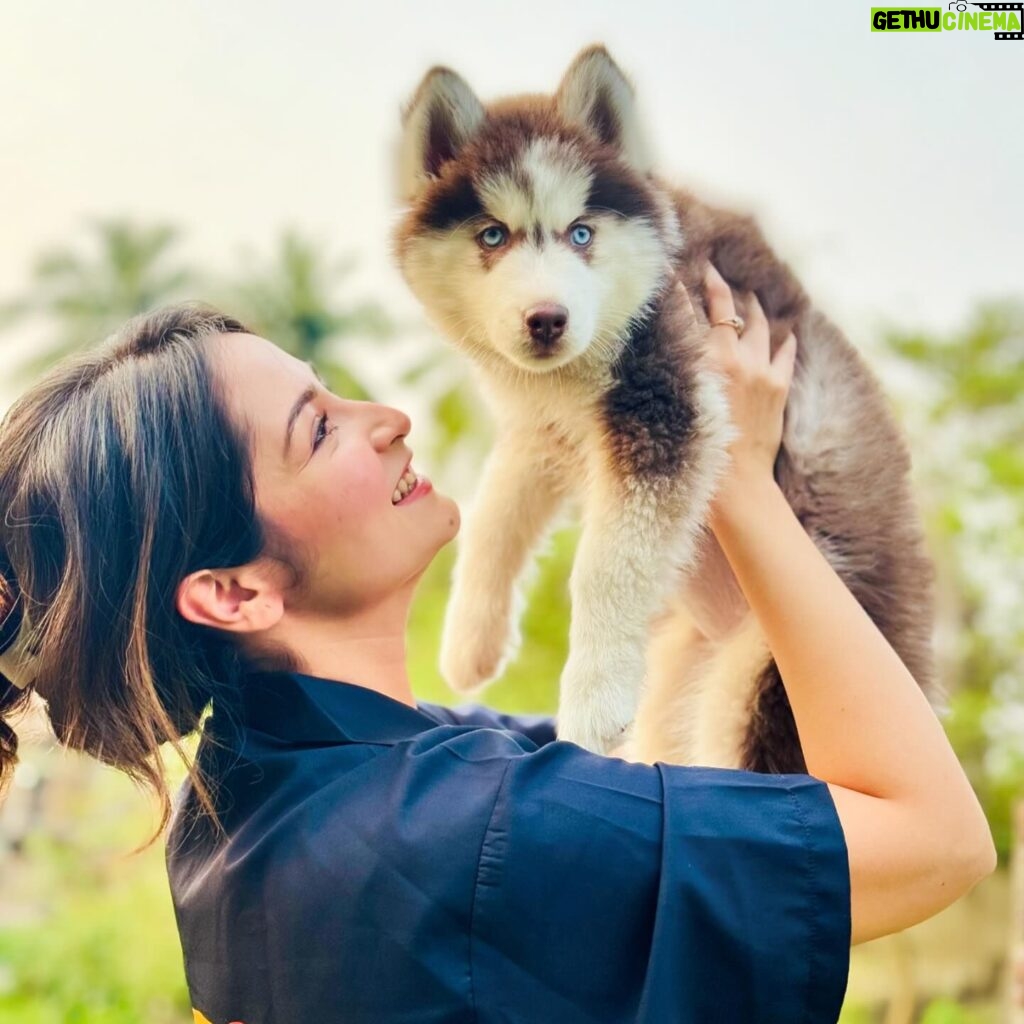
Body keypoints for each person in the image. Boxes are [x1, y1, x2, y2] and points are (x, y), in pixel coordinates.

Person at [0, 266, 995, 1024]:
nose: (385, 419)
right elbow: (934, 838)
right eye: (318, 430)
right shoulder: (472, 836)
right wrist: (732, 474)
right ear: (231, 591)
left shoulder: (245, 813)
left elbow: (658, 757)